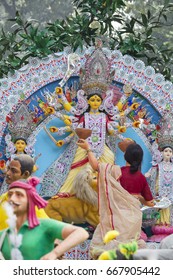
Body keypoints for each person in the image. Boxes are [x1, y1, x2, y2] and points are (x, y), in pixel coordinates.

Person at [76, 139, 154, 258]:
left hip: (115, 218)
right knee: (129, 252)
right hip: (133, 220)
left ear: (125, 156)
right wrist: (139, 198)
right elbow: (150, 203)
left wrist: (88, 148)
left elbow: (96, 166)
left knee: (106, 247)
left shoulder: (115, 171)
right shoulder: (141, 178)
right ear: (140, 159)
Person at [0, 176, 89, 260]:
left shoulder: (43, 225)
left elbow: (81, 233)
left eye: (19, 195)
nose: (12, 198)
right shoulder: (4, 234)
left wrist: (55, 253)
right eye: (10, 194)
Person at [0, 154, 48, 231]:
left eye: (13, 171)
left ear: (25, 174)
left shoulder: (29, 203)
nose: (8, 173)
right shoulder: (4, 196)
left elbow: (48, 228)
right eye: (8, 169)